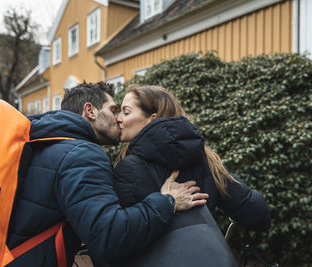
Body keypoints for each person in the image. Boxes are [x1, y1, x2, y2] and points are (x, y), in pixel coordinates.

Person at [6, 82, 208, 266]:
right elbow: (109, 238)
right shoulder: (82, 155)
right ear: (90, 111)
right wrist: (167, 201)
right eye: (113, 110)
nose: (118, 119)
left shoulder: (42, 142)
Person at [111, 85, 271, 266]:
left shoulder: (127, 167)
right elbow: (257, 214)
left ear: (152, 119)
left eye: (126, 112)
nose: (118, 119)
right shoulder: (206, 161)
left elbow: (120, 239)